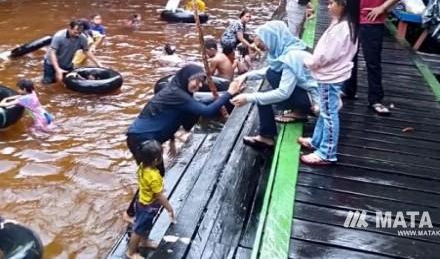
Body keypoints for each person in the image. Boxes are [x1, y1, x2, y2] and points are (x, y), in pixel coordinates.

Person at [125, 64, 240, 216]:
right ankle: (131, 214)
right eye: (196, 81)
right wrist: (229, 93)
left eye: (201, 82)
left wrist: (171, 140)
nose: (198, 86)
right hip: (140, 139)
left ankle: (147, 204)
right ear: (186, 78)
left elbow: (167, 116)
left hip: (148, 138)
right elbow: (207, 111)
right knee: (153, 175)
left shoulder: (180, 93)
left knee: (155, 175)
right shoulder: (176, 93)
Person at [340, 0, 413, 115]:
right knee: (349, 57)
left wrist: (383, 7)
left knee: (372, 61)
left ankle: (375, 99)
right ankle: (348, 91)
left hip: (372, 21)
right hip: (351, 19)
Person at [230, 21, 318, 149]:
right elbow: (272, 70)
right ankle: (267, 135)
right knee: (269, 80)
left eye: (262, 40)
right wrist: (246, 76)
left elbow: (283, 92)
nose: (259, 45)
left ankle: (298, 113)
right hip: (307, 96)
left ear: (273, 38)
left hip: (314, 102)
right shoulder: (288, 49)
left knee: (267, 87)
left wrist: (248, 98)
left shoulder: (292, 56)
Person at [299, 0, 360, 166]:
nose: (328, 6)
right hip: (334, 75)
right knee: (325, 111)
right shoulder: (347, 24)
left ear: (343, 4)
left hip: (329, 77)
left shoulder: (342, 29)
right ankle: (317, 141)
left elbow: (325, 56)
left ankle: (327, 152)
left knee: (329, 114)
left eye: (331, 3)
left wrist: (309, 61)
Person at [127, 140, 175, 259]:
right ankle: (131, 252)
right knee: (138, 230)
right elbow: (159, 196)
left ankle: (144, 242)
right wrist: (169, 208)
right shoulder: (154, 176)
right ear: (155, 160)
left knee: (145, 226)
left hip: (141, 201)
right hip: (147, 207)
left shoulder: (142, 167)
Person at [43, 19, 103, 84]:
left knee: (69, 82)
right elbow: (52, 53)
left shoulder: (82, 38)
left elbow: (86, 52)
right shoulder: (59, 37)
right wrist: (57, 70)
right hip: (51, 63)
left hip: (67, 63)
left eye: (79, 33)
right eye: (75, 32)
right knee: (48, 82)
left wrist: (98, 63)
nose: (77, 35)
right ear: (69, 28)